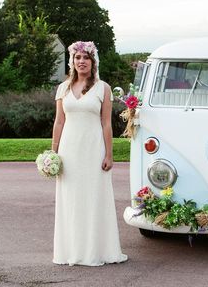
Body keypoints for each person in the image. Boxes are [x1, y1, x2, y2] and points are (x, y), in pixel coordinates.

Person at [51, 40, 128, 266]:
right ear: (72, 61)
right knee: (71, 199)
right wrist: (53, 153)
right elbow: (59, 122)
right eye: (78, 58)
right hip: (69, 151)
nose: (81, 61)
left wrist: (109, 154)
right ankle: (70, 250)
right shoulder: (63, 88)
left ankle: (97, 250)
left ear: (93, 62)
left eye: (86, 58)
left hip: (93, 150)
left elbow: (106, 123)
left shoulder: (102, 88)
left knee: (94, 197)